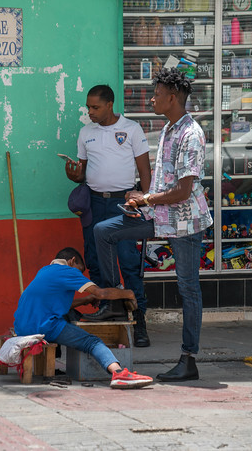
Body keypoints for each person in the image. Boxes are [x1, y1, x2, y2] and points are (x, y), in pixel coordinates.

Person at [93, 68, 213, 382]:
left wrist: (147, 199)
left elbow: (184, 191)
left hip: (185, 224)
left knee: (188, 289)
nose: (152, 99)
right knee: (104, 231)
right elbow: (165, 182)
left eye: (157, 94)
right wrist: (143, 200)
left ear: (172, 98)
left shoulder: (190, 134)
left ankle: (189, 359)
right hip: (160, 218)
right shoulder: (168, 129)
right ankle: (116, 302)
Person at [64, 84, 151, 347]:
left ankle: (138, 319)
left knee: (127, 261)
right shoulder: (85, 132)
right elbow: (83, 171)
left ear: (109, 105)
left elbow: (145, 171)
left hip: (123, 204)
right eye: (88, 107)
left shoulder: (132, 129)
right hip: (93, 204)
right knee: (95, 260)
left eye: (95, 107)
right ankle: (107, 313)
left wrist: (146, 201)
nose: (90, 112)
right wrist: (74, 175)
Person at [14, 247, 153, 390]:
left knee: (65, 318)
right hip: (44, 326)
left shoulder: (44, 271)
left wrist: (86, 299)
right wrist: (128, 293)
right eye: (80, 271)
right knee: (92, 342)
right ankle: (119, 373)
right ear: (72, 261)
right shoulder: (68, 271)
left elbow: (59, 305)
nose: (79, 275)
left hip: (21, 326)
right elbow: (101, 293)